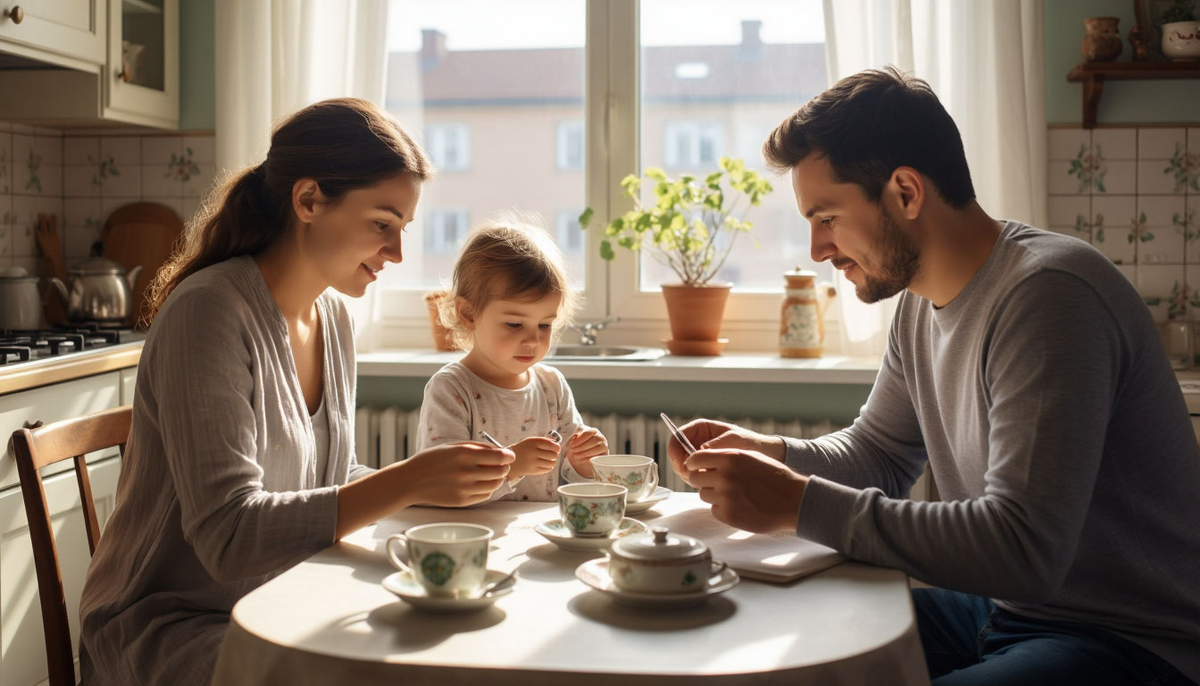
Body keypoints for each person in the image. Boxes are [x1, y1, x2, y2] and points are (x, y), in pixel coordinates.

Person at [665, 67, 1200, 685]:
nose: (816, 249)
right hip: (1006, 612)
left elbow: (1023, 549)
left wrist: (796, 502)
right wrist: (778, 455)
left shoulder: (1050, 296)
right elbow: (881, 453)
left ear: (906, 192)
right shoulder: (920, 302)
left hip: (1130, 640)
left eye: (827, 217)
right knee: (774, 643)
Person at [77, 98, 516, 686]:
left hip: (280, 596)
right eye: (382, 224)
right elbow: (228, 535)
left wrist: (439, 491)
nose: (397, 253)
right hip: (172, 627)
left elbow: (331, 476)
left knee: (452, 644)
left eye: (403, 229)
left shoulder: (331, 316)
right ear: (308, 200)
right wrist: (410, 481)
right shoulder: (209, 312)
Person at [417, 219, 609, 502]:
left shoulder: (551, 385)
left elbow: (570, 479)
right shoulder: (451, 389)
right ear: (469, 314)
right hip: (473, 537)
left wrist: (584, 464)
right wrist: (511, 466)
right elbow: (442, 486)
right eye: (515, 325)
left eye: (544, 326)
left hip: (534, 536)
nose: (533, 340)